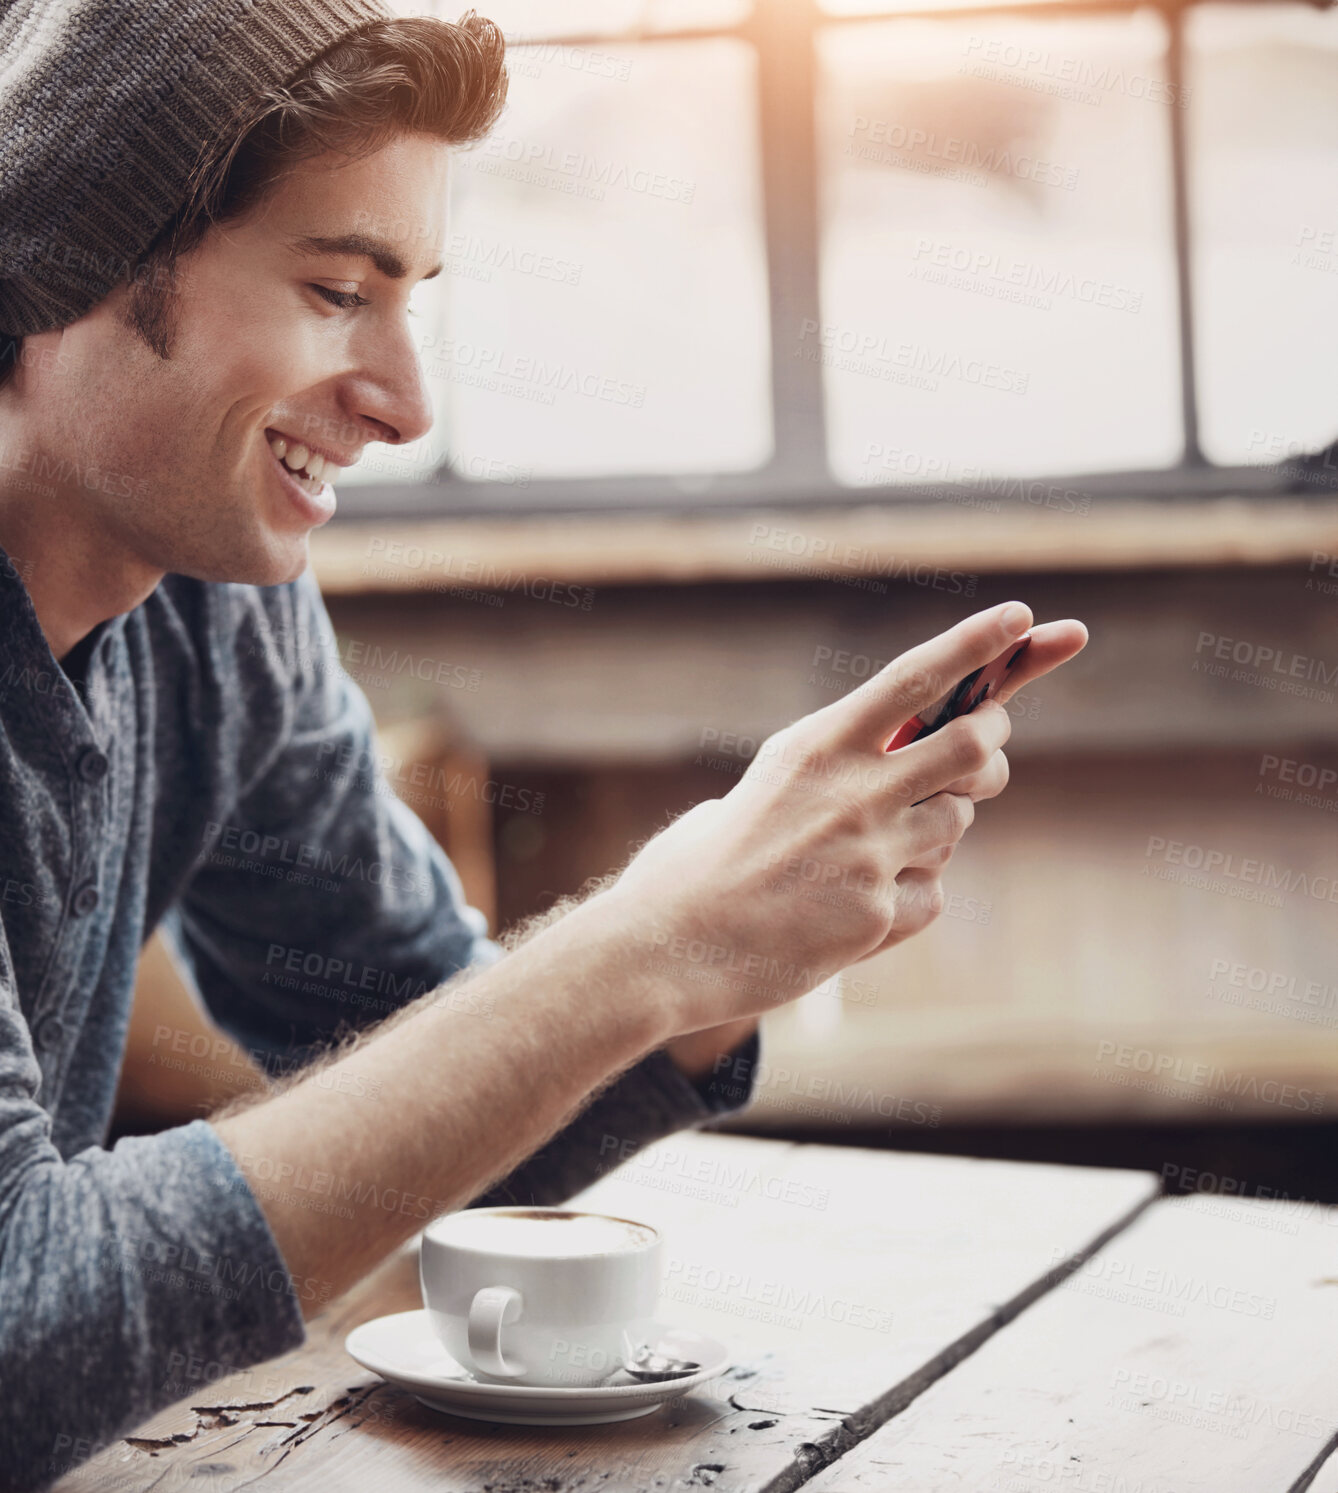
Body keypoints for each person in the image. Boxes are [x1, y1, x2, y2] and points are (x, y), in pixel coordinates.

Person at [0, 3, 1088, 1487]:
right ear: (67, 260)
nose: (401, 401)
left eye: (412, 304)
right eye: (335, 290)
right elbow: (19, 1332)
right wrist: (642, 940)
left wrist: (717, 956)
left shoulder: (214, 615)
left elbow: (450, 1110)